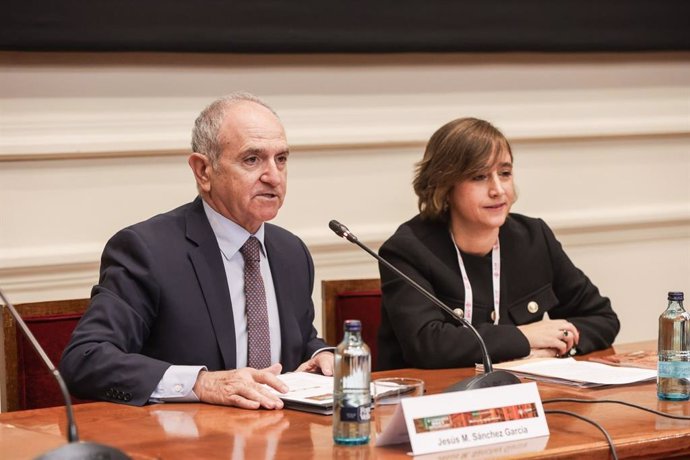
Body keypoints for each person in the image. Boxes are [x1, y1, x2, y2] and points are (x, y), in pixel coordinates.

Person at [60, 92, 333, 409]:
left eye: (281, 159)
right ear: (204, 171)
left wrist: (319, 355)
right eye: (252, 159)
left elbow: (297, 340)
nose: (273, 176)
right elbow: (85, 359)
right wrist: (201, 383)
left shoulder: (291, 252)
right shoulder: (148, 251)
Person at [377, 117, 619, 370]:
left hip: (522, 393)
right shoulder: (408, 250)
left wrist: (556, 345)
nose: (498, 190)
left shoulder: (534, 238)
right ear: (445, 186)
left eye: (504, 173)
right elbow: (427, 344)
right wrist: (525, 338)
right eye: (479, 176)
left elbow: (601, 318)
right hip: (431, 398)